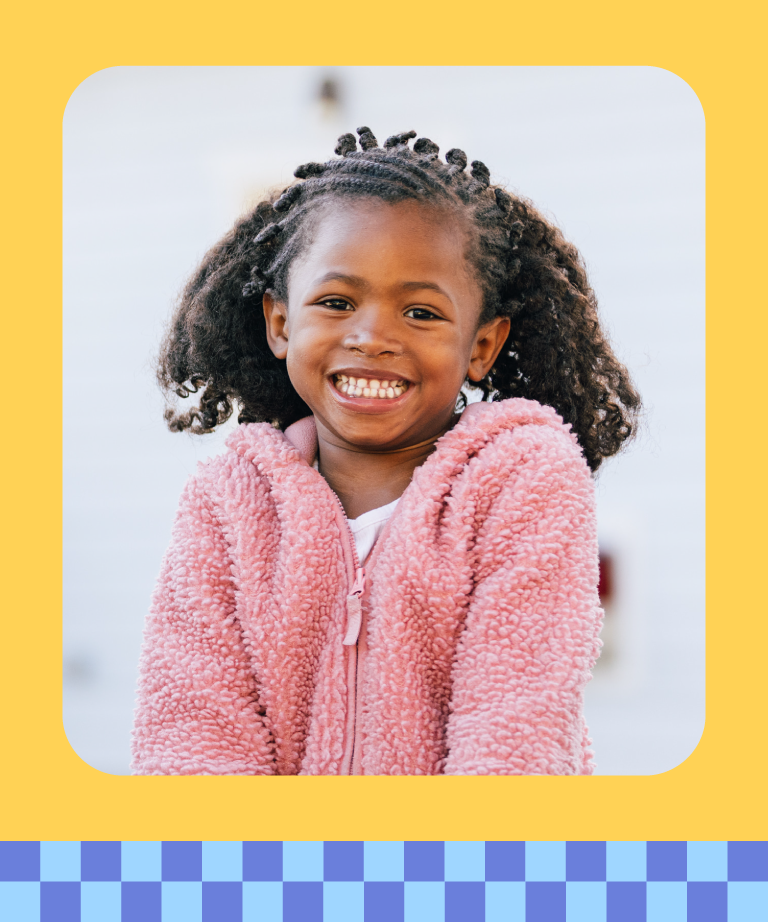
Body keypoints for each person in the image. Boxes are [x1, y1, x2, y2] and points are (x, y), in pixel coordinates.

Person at [131, 126, 640, 776]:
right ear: (281, 324)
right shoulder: (230, 504)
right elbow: (190, 734)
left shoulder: (522, 482)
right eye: (337, 302)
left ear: (481, 347)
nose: (371, 336)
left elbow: (515, 740)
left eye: (421, 313)